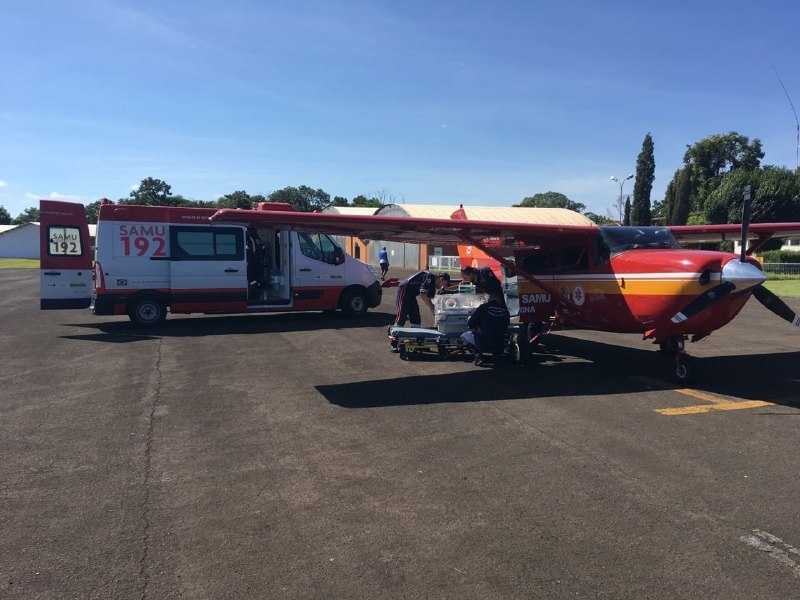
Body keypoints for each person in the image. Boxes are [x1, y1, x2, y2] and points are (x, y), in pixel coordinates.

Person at [460, 293, 511, 365]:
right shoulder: (504, 311)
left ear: (489, 299)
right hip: (500, 344)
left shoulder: (483, 308)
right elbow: (506, 324)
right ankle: (497, 356)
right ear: (499, 300)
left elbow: (470, 323)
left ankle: (478, 356)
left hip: (483, 343)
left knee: (464, 336)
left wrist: (476, 327)